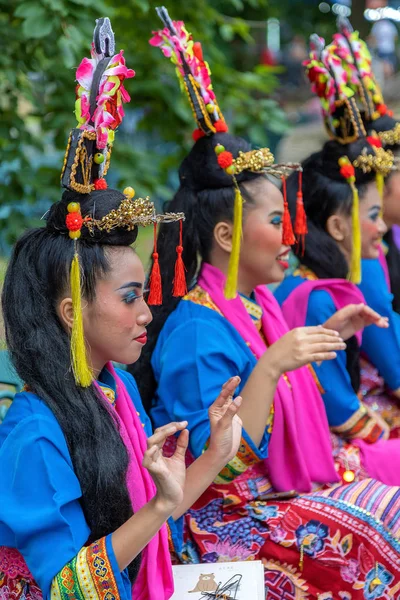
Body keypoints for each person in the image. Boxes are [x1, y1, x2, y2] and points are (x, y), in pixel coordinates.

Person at [133, 11, 400, 597]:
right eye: (279, 220)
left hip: (275, 495)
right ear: (227, 237)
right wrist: (275, 364)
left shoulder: (255, 308)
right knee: (387, 532)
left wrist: (320, 335)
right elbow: (209, 479)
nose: (291, 236)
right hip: (225, 525)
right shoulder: (197, 332)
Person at [0, 19, 244, 600]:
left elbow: (157, 519)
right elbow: (66, 587)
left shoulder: (116, 390)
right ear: (69, 312)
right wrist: (161, 501)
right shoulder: (33, 433)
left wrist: (216, 452)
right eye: (131, 297)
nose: (146, 313)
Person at [275, 30, 400, 438]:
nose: (380, 225)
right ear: (337, 225)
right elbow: (345, 409)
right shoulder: (318, 294)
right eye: (374, 211)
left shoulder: (351, 265)